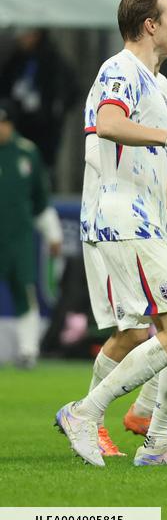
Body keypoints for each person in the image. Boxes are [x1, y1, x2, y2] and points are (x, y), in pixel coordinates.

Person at [55, 0, 167, 467]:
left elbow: (158, 163)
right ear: (150, 24)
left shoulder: (159, 84)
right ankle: (85, 412)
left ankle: (156, 441)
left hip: (156, 222)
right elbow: (108, 123)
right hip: (123, 220)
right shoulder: (118, 69)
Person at [0, 99, 62, 369]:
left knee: (25, 292)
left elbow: (40, 201)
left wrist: (53, 234)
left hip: (19, 238)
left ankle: (28, 350)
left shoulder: (27, 153)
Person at [0, 29, 77, 169]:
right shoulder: (15, 60)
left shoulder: (53, 61)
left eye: (26, 35)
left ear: (36, 35)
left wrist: (57, 109)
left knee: (42, 166)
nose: (22, 40)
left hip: (45, 127)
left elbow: (71, 89)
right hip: (19, 123)